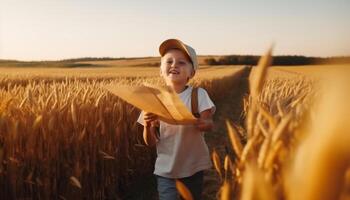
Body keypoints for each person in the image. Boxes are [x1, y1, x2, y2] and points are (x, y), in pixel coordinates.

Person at [137, 38, 215, 200]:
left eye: (182, 62)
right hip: (166, 170)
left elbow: (209, 124)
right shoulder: (153, 99)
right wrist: (148, 126)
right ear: (160, 70)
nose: (174, 65)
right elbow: (150, 142)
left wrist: (203, 123)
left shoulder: (198, 95)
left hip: (193, 168)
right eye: (169, 61)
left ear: (191, 73)